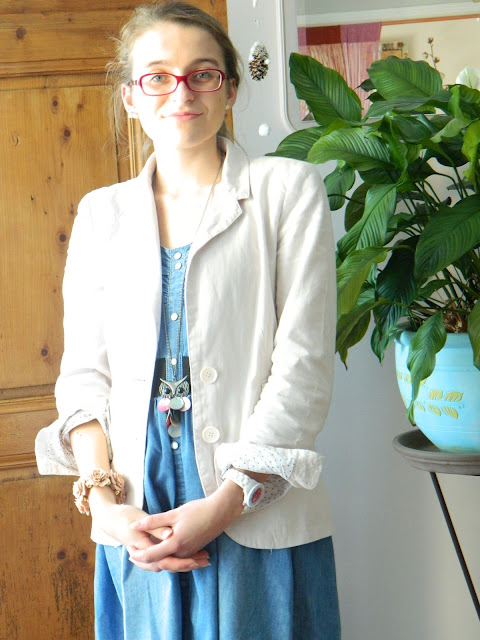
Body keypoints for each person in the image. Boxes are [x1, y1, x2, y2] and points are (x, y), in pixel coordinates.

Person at [35, 2, 340, 638]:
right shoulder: (101, 214)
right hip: (137, 507)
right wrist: (105, 505)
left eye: (202, 74)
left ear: (231, 88)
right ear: (130, 96)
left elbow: (303, 366)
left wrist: (227, 503)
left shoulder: (287, 191)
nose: (182, 92)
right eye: (157, 76)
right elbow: (85, 373)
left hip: (254, 495)